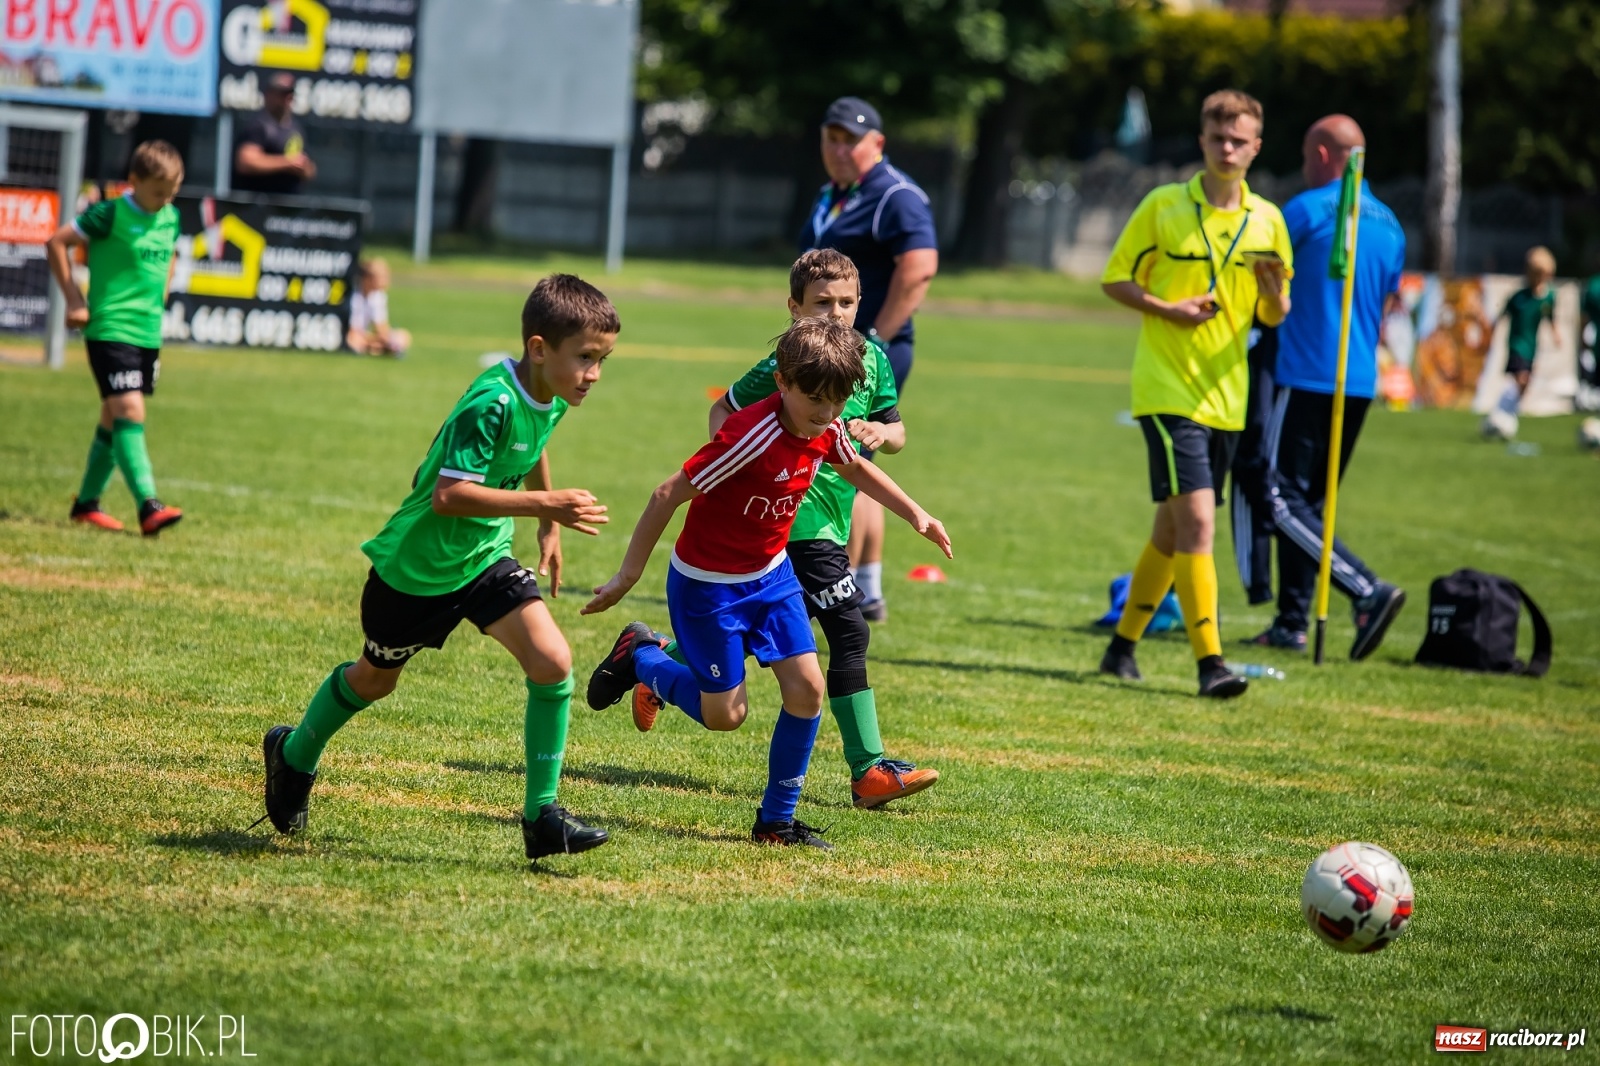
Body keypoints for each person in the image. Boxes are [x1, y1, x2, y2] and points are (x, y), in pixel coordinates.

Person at [258, 275, 619, 865]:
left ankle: (542, 816)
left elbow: (533, 444)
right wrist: (546, 505)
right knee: (374, 679)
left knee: (553, 660)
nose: (593, 375)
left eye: (602, 361)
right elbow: (449, 496)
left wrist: (546, 524)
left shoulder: (548, 393)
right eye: (585, 359)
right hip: (417, 572)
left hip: (483, 560)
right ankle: (294, 753)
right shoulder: (492, 402)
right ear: (538, 349)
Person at [580, 317, 952, 849]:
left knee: (807, 690)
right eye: (814, 399)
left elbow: (854, 468)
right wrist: (626, 576)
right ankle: (642, 655)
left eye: (837, 401)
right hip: (709, 586)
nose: (825, 413)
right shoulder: (751, 435)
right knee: (725, 716)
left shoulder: (824, 426)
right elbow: (667, 494)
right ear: (782, 382)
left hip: (771, 578)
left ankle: (775, 823)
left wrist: (915, 513)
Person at [693, 248, 938, 809]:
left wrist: (877, 431)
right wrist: (743, 475)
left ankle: (651, 657)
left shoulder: (871, 356)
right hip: (796, 522)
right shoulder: (789, 361)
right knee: (850, 632)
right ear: (794, 308)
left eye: (846, 302)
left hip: (833, 518)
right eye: (821, 303)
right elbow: (723, 413)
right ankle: (868, 769)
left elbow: (898, 433)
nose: (834, 313)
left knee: (769, 630)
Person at [1096, 90, 1292, 698]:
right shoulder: (1163, 205)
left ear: (1256, 147)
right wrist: (1166, 309)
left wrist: (1273, 294)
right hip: (1166, 389)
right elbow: (1115, 279)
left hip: (1227, 396)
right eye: (1218, 138)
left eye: (1240, 140)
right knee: (1201, 525)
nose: (1228, 148)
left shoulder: (1269, 221)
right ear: (1202, 141)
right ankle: (1211, 663)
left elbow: (1276, 315)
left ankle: (1121, 646)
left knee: (1173, 532)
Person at [1252, 114, 1408, 660]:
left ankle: (1366, 589)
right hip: (1358, 381)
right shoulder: (1390, 223)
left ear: (1320, 155)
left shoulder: (1305, 211)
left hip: (1303, 375)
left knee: (1275, 497)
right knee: (1311, 508)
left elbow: (1263, 283)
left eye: (1303, 155)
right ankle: (1292, 622)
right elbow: (1389, 302)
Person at [803, 96, 939, 622]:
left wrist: (877, 339)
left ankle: (840, 588)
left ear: (876, 144)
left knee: (848, 459)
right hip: (829, 350)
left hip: (867, 352)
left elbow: (920, 267)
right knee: (852, 456)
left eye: (851, 139)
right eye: (831, 138)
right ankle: (869, 586)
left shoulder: (895, 196)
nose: (840, 149)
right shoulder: (833, 195)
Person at [45, 139, 186, 536]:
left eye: (171, 192)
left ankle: (87, 504)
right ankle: (148, 504)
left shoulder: (170, 217)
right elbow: (56, 242)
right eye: (158, 192)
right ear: (134, 181)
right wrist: (75, 298)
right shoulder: (108, 214)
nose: (165, 200)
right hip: (110, 329)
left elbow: (171, 252)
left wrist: (164, 289)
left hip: (147, 334)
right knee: (129, 411)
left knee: (113, 416)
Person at [1483, 247, 1562, 439]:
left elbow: (1550, 317)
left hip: (1532, 347)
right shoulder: (1519, 298)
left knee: (1524, 384)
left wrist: (1555, 333)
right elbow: (1501, 317)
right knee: (1522, 378)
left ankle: (1503, 413)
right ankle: (1503, 415)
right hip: (1517, 345)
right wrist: (1491, 334)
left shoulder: (1548, 298)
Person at [233, 72, 317, 196]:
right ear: (269, 94)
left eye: (290, 94)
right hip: (256, 205)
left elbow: (310, 169)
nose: (287, 98)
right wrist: (287, 163)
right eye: (282, 94)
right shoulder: (258, 125)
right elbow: (246, 162)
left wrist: (304, 168)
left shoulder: (295, 128)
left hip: (287, 208)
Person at [347, 258, 411, 357]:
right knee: (353, 340)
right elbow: (353, 329)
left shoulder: (378, 296)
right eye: (382, 277)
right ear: (367, 278)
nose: (386, 281)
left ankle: (374, 348)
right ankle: (379, 349)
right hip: (353, 334)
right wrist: (374, 339)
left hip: (366, 336)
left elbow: (381, 328)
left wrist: (381, 338)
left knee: (403, 336)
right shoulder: (353, 295)